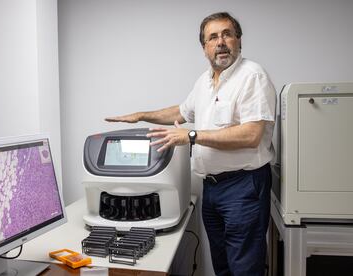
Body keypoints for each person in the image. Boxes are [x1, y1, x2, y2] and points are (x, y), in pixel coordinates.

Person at [106, 12, 276, 276]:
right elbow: (181, 112)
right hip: (214, 188)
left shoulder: (252, 76)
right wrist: (141, 115)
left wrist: (192, 136)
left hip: (244, 187)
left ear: (238, 41)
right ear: (204, 47)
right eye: (213, 37)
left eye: (227, 34)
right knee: (223, 265)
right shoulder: (204, 82)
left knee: (244, 267)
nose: (220, 42)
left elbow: (251, 134)